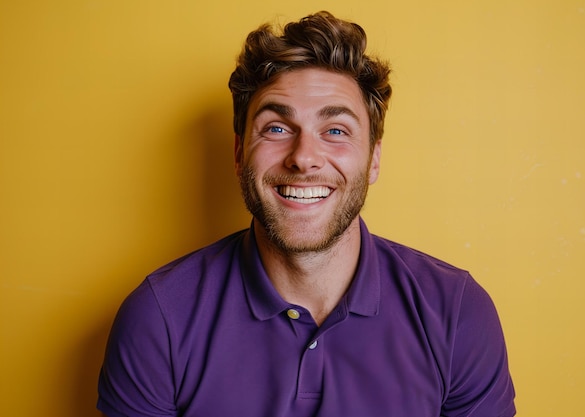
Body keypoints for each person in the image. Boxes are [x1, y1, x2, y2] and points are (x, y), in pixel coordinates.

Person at [97, 11, 516, 417]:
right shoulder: (158, 318)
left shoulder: (457, 313)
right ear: (240, 154)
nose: (303, 158)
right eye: (277, 128)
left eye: (335, 131)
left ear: (373, 160)